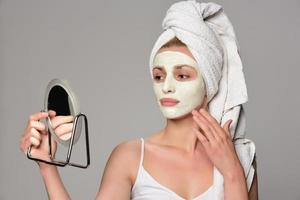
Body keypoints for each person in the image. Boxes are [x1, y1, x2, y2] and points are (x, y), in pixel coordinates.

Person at [19, 1, 258, 199]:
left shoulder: (238, 157)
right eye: (158, 75)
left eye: (182, 75)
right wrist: (47, 167)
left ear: (209, 83)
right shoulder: (130, 157)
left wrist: (233, 172)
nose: (167, 86)